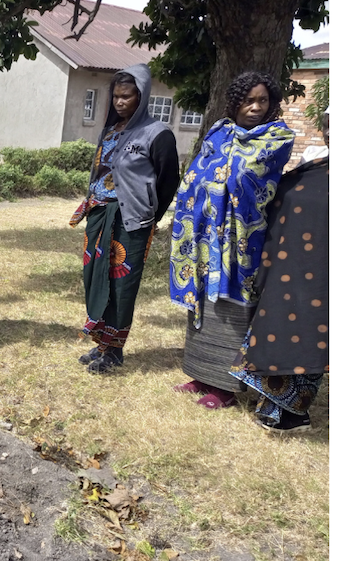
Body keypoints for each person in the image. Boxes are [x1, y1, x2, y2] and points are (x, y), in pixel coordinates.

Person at [168, 71, 295, 409]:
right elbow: (199, 172)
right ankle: (199, 373)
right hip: (206, 235)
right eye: (249, 100)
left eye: (263, 100)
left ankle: (224, 388)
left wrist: (219, 182)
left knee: (231, 308)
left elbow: (247, 176)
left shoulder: (276, 138)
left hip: (242, 240)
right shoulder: (219, 132)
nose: (255, 107)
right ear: (235, 101)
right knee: (203, 305)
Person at [71, 64, 182, 374]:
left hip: (131, 221)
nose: (120, 102)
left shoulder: (157, 134)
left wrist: (151, 216)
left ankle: (115, 350)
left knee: (122, 285)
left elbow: (168, 179)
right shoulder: (109, 130)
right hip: (98, 216)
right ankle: (102, 343)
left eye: (127, 96)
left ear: (141, 96)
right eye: (116, 96)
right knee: (95, 278)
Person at [230, 103, 328, 432]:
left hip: (321, 274)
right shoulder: (314, 164)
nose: (331, 132)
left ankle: (293, 414)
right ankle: (273, 406)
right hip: (289, 264)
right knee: (281, 329)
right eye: (329, 125)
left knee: (308, 336)